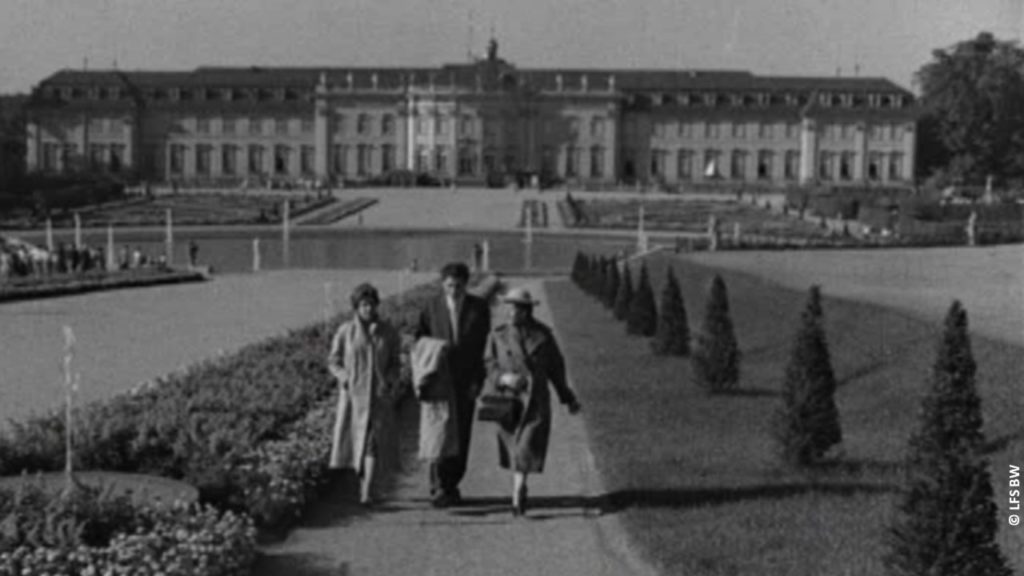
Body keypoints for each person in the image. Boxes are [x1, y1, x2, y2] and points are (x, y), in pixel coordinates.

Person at [483, 287, 581, 516]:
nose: (509, 311)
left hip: (535, 401)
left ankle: (518, 491)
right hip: (507, 400)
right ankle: (519, 486)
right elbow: (489, 364)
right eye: (507, 306)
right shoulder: (497, 335)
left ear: (526, 311)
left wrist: (568, 398)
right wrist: (502, 378)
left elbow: (556, 369)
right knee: (513, 447)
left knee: (526, 446)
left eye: (515, 307)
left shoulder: (544, 336)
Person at [415, 262, 491, 507]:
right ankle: (437, 487)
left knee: (462, 434)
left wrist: (477, 382)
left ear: (465, 284)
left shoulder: (479, 308)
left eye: (458, 286)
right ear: (442, 284)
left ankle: (452, 484)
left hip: (465, 380)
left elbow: (482, 348)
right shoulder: (430, 307)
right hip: (440, 379)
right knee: (438, 432)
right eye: (449, 285)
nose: (453, 290)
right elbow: (419, 341)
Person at [327, 283, 403, 505]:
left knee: (373, 442)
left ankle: (366, 491)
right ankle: (367, 487)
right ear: (356, 307)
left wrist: (390, 380)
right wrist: (344, 377)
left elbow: (396, 362)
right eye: (363, 305)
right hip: (354, 398)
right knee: (357, 442)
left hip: (379, 397)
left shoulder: (388, 332)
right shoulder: (345, 332)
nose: (368, 309)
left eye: (371, 304)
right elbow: (334, 361)